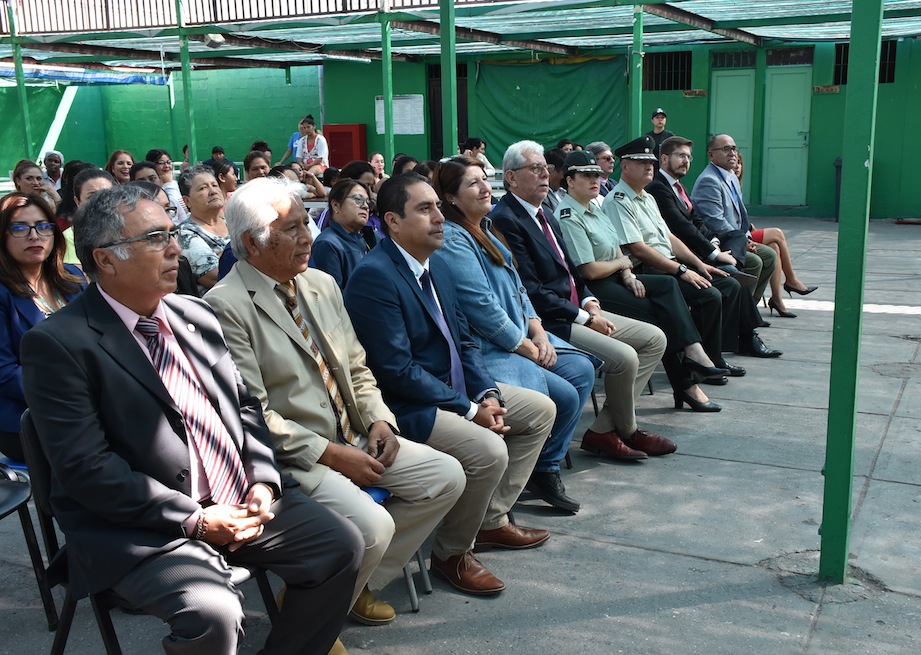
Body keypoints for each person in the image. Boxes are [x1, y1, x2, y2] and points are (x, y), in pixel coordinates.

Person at [21, 184, 363, 655]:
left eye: (172, 234)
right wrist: (196, 520)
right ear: (105, 260)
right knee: (213, 613)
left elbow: (244, 409)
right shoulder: (59, 344)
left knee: (341, 545)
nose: (176, 249)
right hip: (144, 528)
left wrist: (263, 481)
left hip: (239, 501)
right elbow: (86, 469)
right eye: (157, 238)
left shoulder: (194, 315)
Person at [205, 176, 463, 627]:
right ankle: (315, 614)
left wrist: (380, 420)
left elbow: (357, 367)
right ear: (252, 241)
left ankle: (346, 589)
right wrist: (332, 455)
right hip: (298, 454)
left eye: (308, 223)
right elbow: (254, 415)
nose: (309, 237)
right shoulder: (224, 305)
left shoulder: (320, 284)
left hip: (355, 434)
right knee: (374, 526)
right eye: (292, 229)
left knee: (446, 476)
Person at [344, 173, 557, 596]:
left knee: (539, 411)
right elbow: (396, 371)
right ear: (392, 221)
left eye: (438, 207)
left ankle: (490, 521)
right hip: (406, 406)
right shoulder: (375, 276)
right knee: (489, 450)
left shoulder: (436, 264)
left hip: (453, 391)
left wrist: (488, 394)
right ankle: (452, 553)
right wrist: (469, 409)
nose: (440, 217)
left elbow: (463, 340)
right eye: (425, 209)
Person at [488, 140, 673, 459]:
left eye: (546, 168)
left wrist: (589, 303)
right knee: (626, 357)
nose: (545, 174)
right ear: (511, 178)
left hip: (577, 309)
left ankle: (604, 429)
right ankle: (626, 431)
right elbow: (533, 291)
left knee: (654, 338)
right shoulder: (506, 219)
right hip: (553, 321)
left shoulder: (544, 212)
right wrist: (585, 318)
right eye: (535, 169)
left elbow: (573, 272)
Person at [432, 157, 597, 512]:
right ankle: (511, 493)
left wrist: (537, 330)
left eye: (484, 180)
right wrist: (524, 346)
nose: (484, 188)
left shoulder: (488, 228)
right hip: (492, 347)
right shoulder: (454, 238)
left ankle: (543, 465)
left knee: (580, 374)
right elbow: (481, 307)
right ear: (452, 198)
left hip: (525, 335)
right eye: (473, 183)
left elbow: (520, 290)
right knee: (557, 398)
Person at [555, 150, 723, 412]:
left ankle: (693, 354)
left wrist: (628, 274)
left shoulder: (595, 208)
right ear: (569, 180)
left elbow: (618, 250)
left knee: (668, 287)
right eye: (586, 175)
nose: (595, 179)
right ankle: (688, 384)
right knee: (660, 316)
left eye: (596, 174)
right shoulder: (568, 215)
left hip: (617, 278)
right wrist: (623, 266)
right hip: (595, 288)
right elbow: (588, 270)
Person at [603, 136, 781, 363]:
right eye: (641, 162)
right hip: (648, 270)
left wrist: (700, 264)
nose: (649, 166)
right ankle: (703, 360)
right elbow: (638, 249)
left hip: (669, 263)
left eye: (650, 161)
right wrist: (682, 270)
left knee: (728, 283)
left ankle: (719, 353)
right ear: (625, 166)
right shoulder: (618, 200)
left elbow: (670, 237)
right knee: (710, 294)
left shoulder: (646, 197)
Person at [648, 136, 774, 342]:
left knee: (739, 243)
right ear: (663, 159)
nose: (686, 161)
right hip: (683, 254)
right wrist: (714, 252)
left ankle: (745, 326)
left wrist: (714, 242)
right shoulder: (658, 188)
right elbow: (682, 228)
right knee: (734, 278)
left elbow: (697, 220)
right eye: (680, 156)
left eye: (688, 157)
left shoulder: (679, 187)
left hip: (699, 248)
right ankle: (747, 334)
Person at [0, 193, 85, 461]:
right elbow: (4, 373)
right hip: (29, 416)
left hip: (89, 400)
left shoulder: (74, 277)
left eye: (43, 226)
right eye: (19, 227)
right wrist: (70, 393)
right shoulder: (2, 293)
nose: (34, 235)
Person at [689, 134, 777, 306]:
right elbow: (716, 222)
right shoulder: (709, 180)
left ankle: (749, 309)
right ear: (711, 155)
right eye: (725, 149)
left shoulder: (731, 176)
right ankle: (739, 316)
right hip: (720, 242)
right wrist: (742, 241)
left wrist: (747, 238)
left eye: (734, 148)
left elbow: (740, 216)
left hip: (736, 238)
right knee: (756, 262)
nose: (732, 153)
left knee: (770, 255)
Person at [733, 154, 818, 316]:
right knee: (777, 233)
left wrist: (748, 225)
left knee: (774, 247)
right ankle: (791, 280)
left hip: (745, 231)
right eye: (734, 163)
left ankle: (777, 299)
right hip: (739, 236)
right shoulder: (723, 182)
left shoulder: (735, 184)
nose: (737, 167)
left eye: (740, 164)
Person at [310, 179, 373, 289]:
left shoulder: (371, 237)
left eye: (368, 202)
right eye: (358, 199)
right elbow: (333, 296)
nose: (365, 206)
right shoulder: (327, 244)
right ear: (335, 205)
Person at [178, 165, 228, 294]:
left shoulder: (232, 223)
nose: (212, 191)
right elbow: (215, 276)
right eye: (203, 188)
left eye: (214, 185)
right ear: (187, 201)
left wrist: (225, 256)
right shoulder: (185, 234)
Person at [69, 168, 117, 266]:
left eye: (107, 194)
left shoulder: (130, 230)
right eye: (92, 197)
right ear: (78, 202)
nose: (101, 201)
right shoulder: (68, 237)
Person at [146, 148, 189, 223]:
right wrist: (168, 184)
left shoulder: (174, 183)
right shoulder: (153, 189)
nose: (166, 166)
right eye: (161, 162)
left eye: (169, 162)